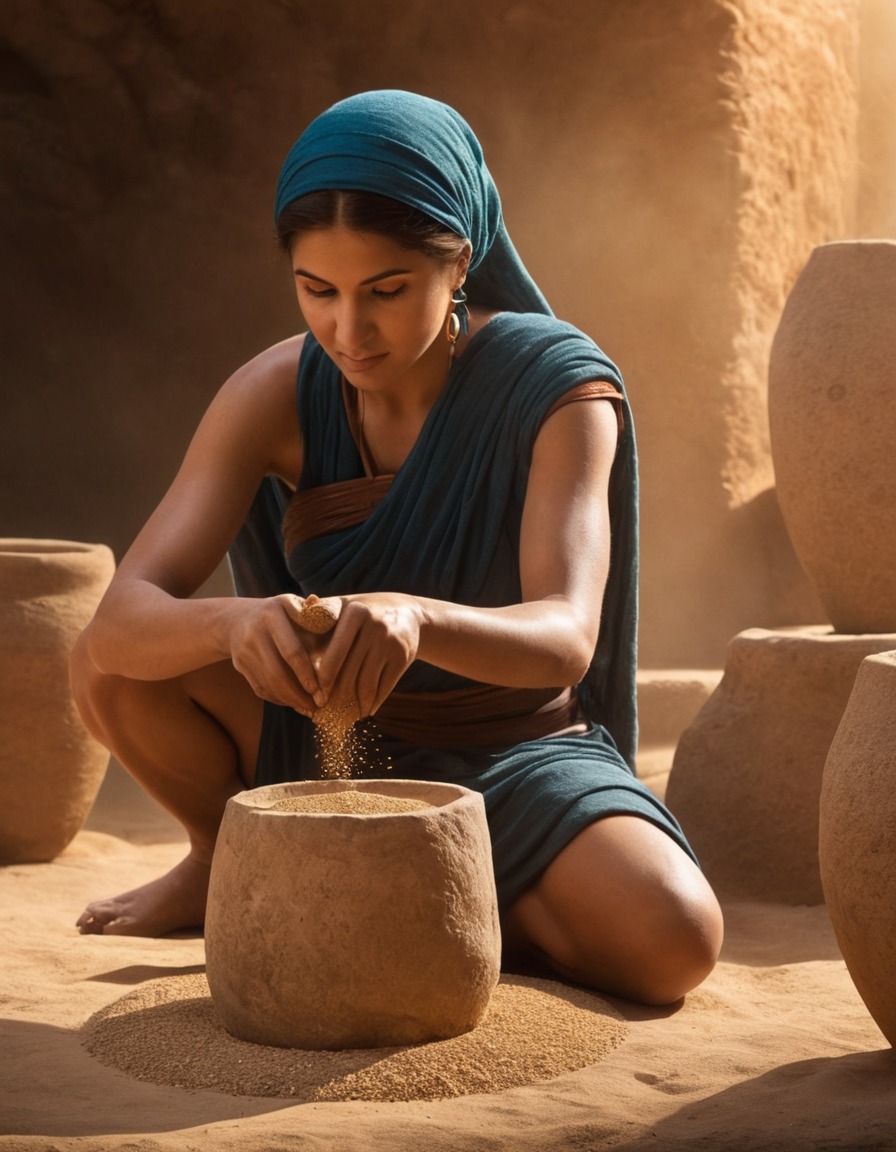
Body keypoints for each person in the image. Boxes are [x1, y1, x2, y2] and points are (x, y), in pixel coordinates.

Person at [71, 90, 722, 1005]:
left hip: (514, 756)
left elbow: (567, 635)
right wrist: (235, 624)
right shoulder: (275, 391)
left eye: (385, 292)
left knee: (674, 941)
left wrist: (416, 617)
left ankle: (391, 899)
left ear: (459, 264)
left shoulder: (556, 386)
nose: (348, 331)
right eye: (317, 291)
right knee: (116, 670)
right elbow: (119, 624)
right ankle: (225, 858)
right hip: (342, 750)